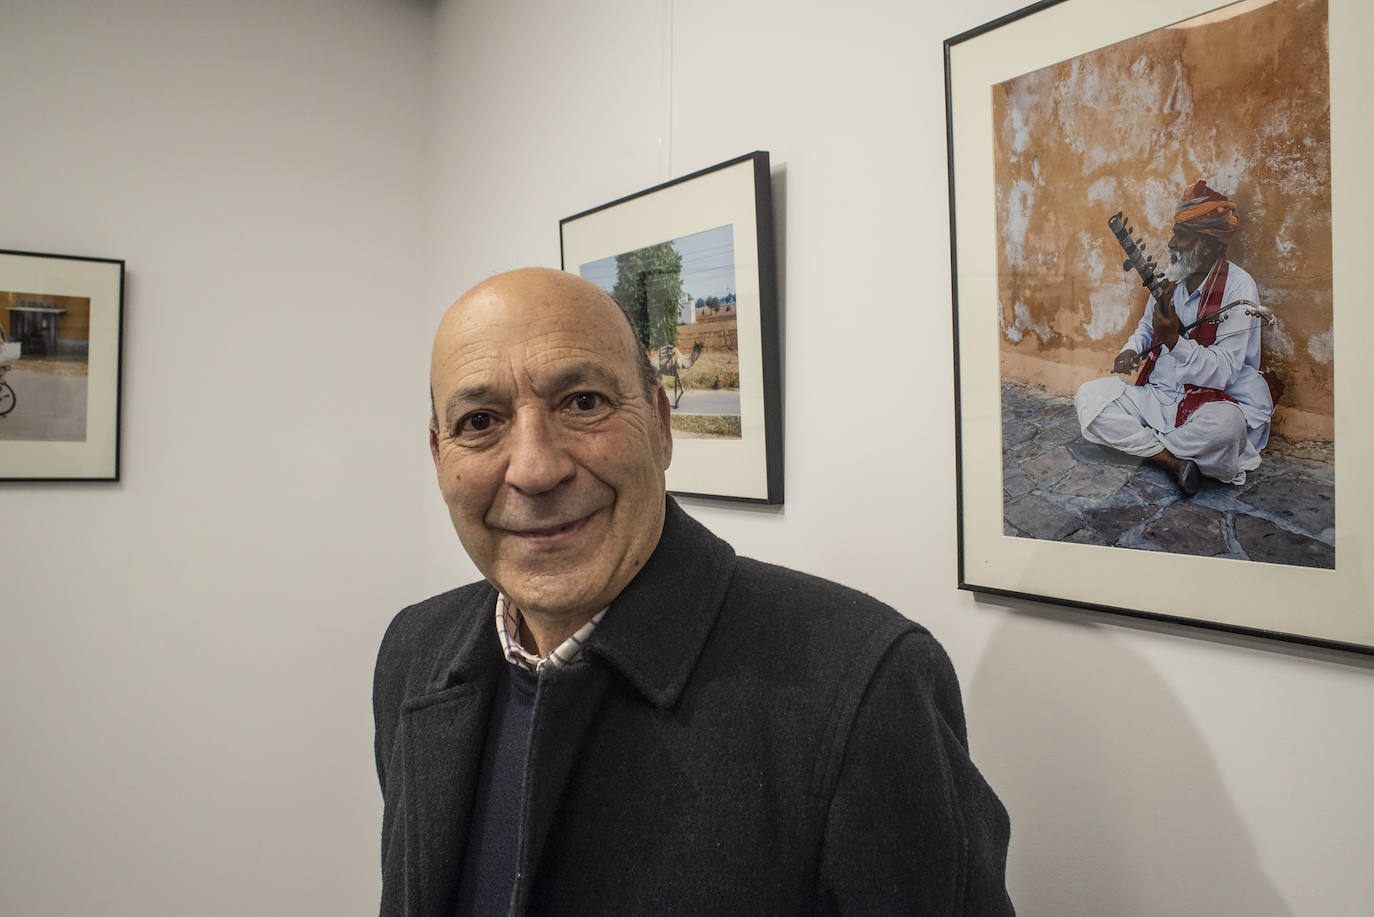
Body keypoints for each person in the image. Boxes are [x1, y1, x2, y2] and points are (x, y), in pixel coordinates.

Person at [373, 267, 1013, 915]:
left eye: (584, 402)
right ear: (439, 456)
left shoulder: (863, 688)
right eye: (480, 420)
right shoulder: (413, 653)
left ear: (659, 424)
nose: (536, 468)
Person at [1075, 181, 1276, 495]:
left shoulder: (1239, 286)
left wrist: (1175, 343)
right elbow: (1146, 327)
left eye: (1181, 235)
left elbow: (1225, 371)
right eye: (1174, 232)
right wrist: (1132, 348)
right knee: (1089, 398)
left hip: (1210, 402)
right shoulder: (1170, 279)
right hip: (1160, 394)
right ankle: (1171, 460)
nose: (1171, 243)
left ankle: (1146, 446)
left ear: (1207, 244)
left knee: (1227, 430)